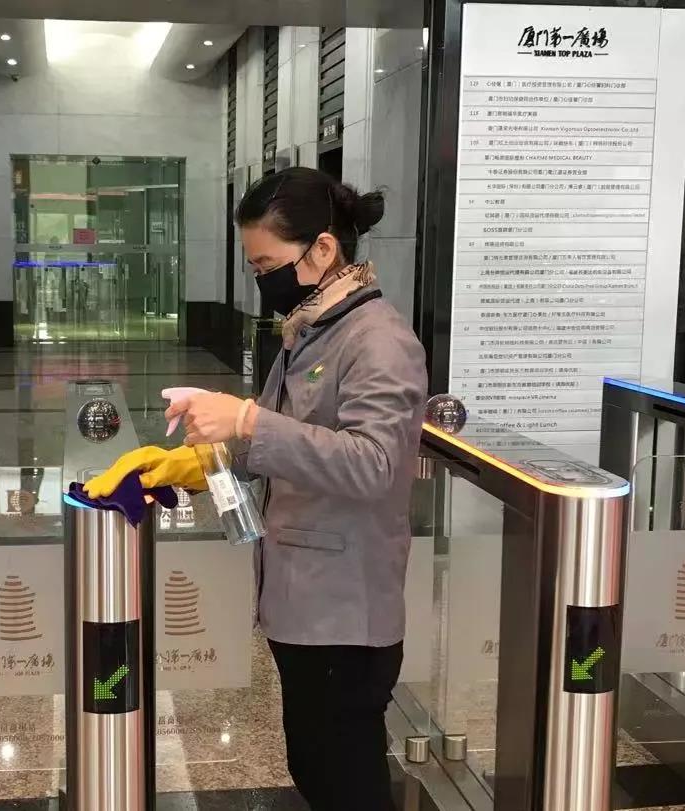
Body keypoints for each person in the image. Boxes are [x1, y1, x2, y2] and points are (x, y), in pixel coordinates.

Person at [85, 167, 427, 810]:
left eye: (268, 264)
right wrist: (194, 462)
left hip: (345, 613)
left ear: (323, 248)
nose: (262, 278)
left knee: (345, 779)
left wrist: (246, 419)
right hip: (303, 600)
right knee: (315, 765)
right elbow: (282, 445)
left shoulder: (379, 341)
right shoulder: (313, 329)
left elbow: (376, 464)